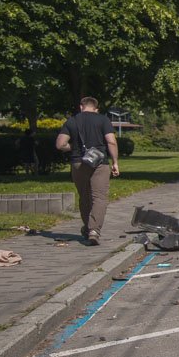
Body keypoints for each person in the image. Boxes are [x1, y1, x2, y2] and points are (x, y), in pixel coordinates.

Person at [55, 97, 120, 246]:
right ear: (96, 108)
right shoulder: (103, 120)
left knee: (84, 196)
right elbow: (111, 141)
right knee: (99, 197)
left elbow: (60, 144)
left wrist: (73, 148)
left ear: (81, 107)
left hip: (78, 162)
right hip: (99, 163)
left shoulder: (72, 121)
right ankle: (94, 230)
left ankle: (87, 228)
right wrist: (115, 162)